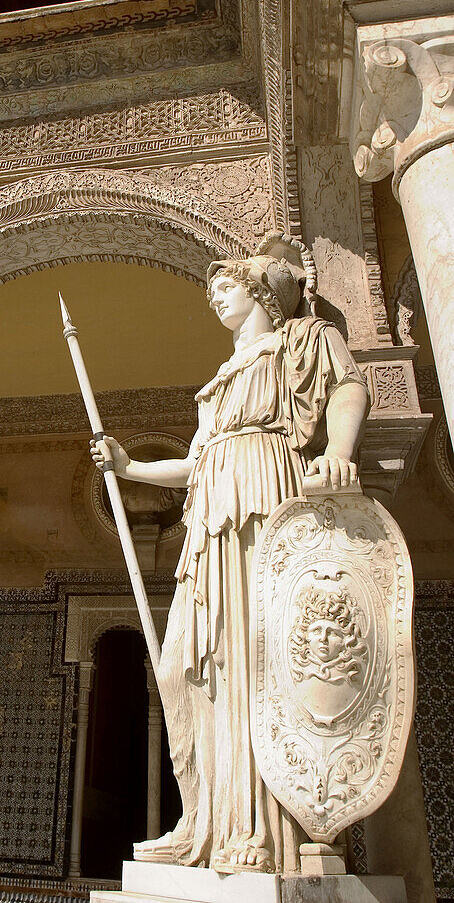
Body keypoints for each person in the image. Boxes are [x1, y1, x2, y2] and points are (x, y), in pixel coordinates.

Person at [90, 233, 369, 874]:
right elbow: (197, 461)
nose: (214, 295)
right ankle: (207, 817)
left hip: (266, 495)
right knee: (183, 665)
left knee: (257, 658)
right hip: (210, 517)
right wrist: (129, 467)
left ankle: (269, 829)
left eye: (226, 285)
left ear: (261, 291)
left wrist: (340, 451)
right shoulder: (221, 380)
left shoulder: (306, 340)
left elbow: (348, 391)